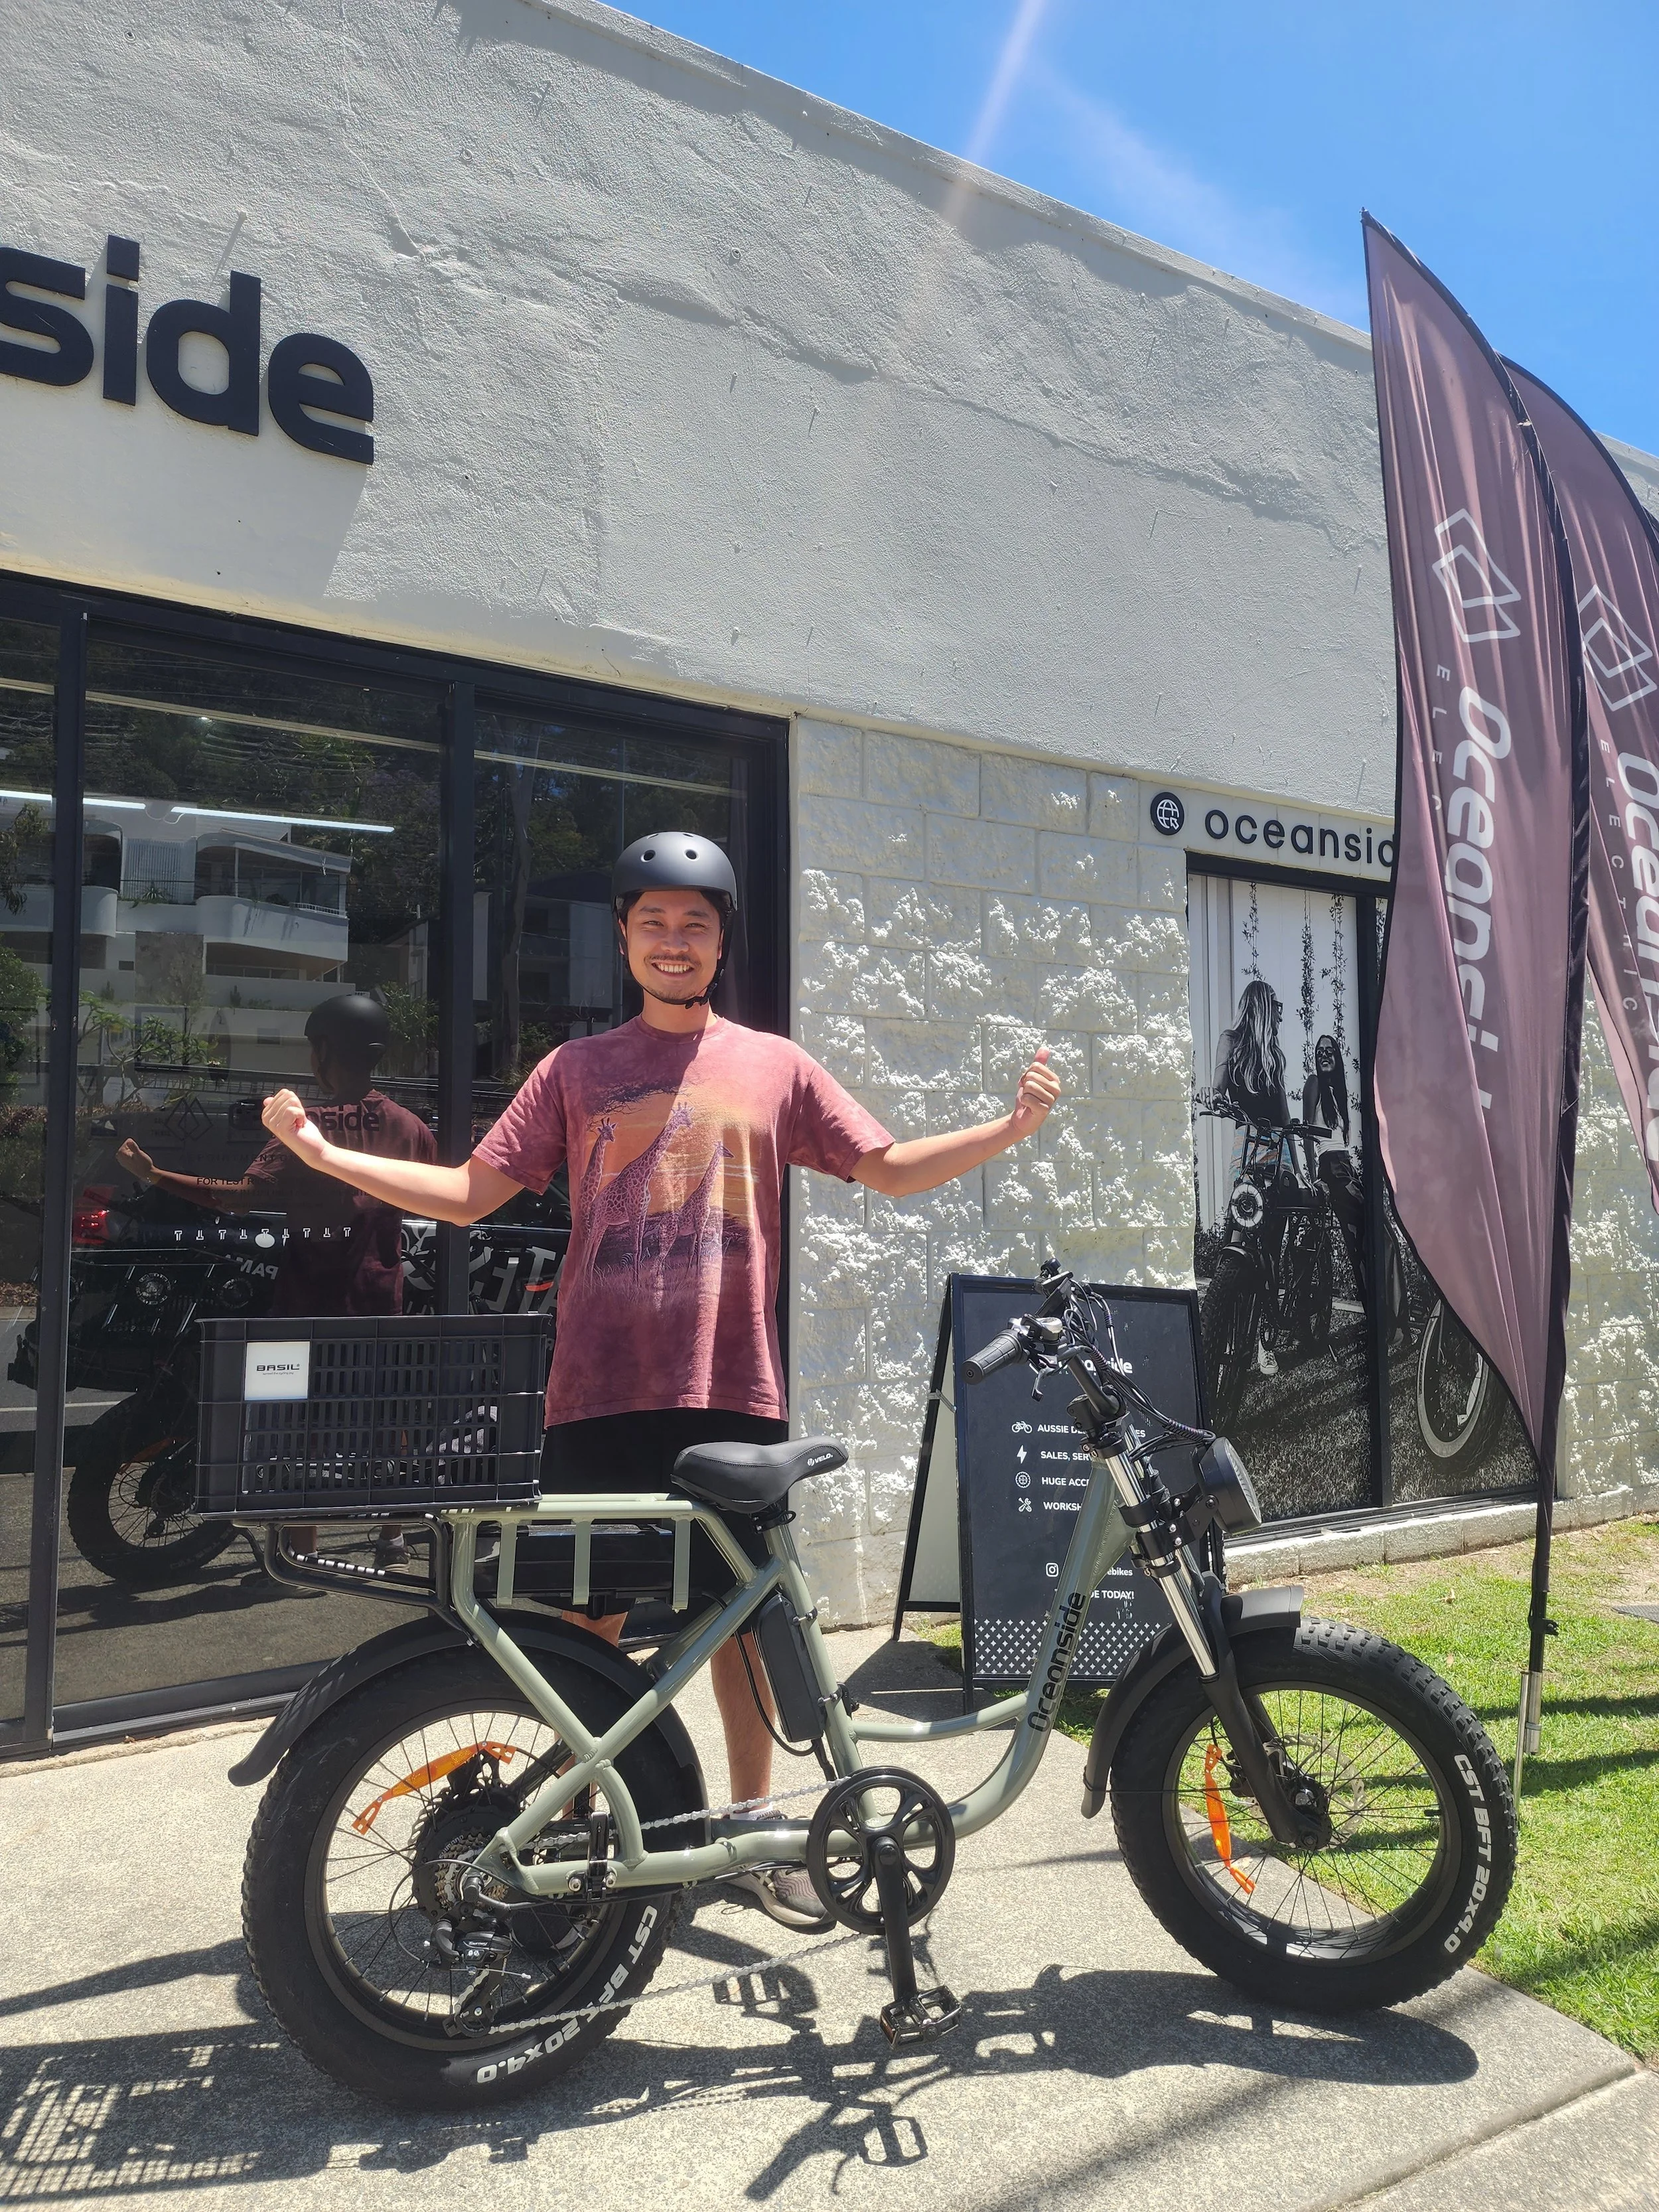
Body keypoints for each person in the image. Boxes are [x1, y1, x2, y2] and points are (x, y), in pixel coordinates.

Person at [256, 832, 1062, 1927]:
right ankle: (585, 1824)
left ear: (722, 938)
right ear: (625, 938)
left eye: (696, 922)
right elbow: (464, 1192)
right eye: (653, 922)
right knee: (584, 1623)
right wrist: (328, 1159)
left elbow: (887, 1168)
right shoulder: (574, 1070)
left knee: (741, 1625)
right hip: (598, 1387)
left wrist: (1009, 1127)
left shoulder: (776, 1066)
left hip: (733, 1390)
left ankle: (751, 1834)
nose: (674, 940)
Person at [118, 992, 437, 1317]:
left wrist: (154, 1174)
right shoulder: (412, 1129)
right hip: (381, 1310)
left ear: (325, 1050)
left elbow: (238, 1198)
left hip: (309, 1310)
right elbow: (435, 1199)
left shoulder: (305, 1127)